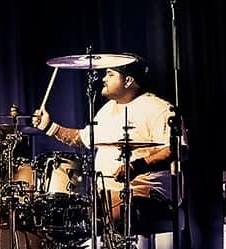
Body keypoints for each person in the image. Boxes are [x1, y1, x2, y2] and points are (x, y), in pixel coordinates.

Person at [33, 58, 182, 231]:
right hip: (106, 193)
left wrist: (136, 167)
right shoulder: (107, 109)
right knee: (57, 214)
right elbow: (82, 138)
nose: (104, 79)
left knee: (96, 212)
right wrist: (50, 127)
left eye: (110, 74)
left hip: (147, 194)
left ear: (128, 80)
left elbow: (175, 149)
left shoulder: (158, 108)